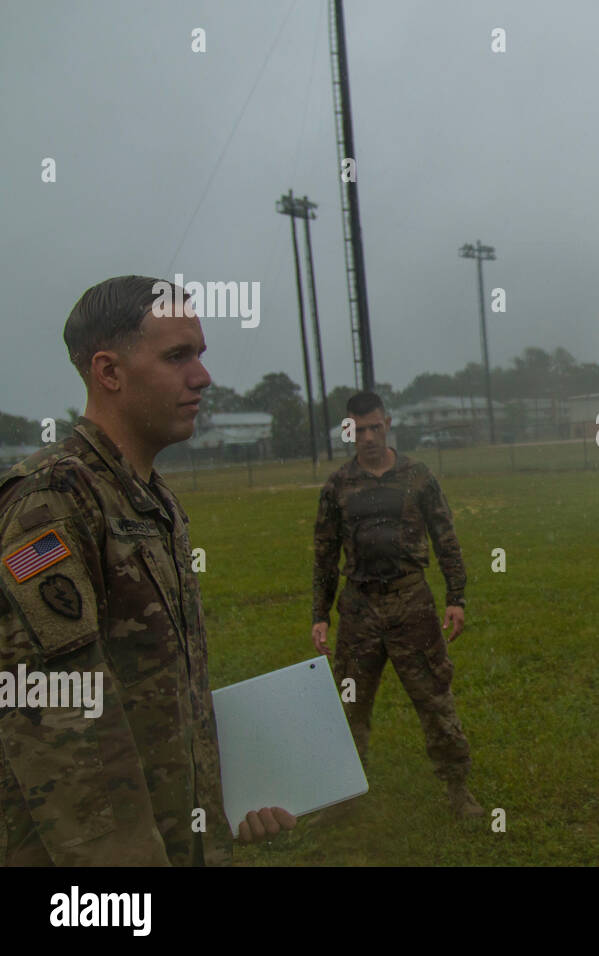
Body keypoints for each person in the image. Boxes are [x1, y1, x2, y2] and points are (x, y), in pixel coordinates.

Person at [0, 276, 294, 865]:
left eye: (200, 355)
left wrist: (220, 801)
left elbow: (160, 690)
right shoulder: (53, 500)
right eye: (177, 356)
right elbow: (62, 724)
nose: (203, 377)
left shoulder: (145, 498)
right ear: (108, 372)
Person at [311, 392, 483, 817]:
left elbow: (446, 539)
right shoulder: (337, 486)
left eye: (375, 427)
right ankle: (344, 796)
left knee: (434, 699)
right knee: (350, 704)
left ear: (387, 424)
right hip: (359, 609)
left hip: (412, 605)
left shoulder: (418, 477)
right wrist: (320, 614)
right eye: (358, 429)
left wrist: (456, 598)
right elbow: (325, 554)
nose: (368, 437)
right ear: (348, 430)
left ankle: (459, 790)